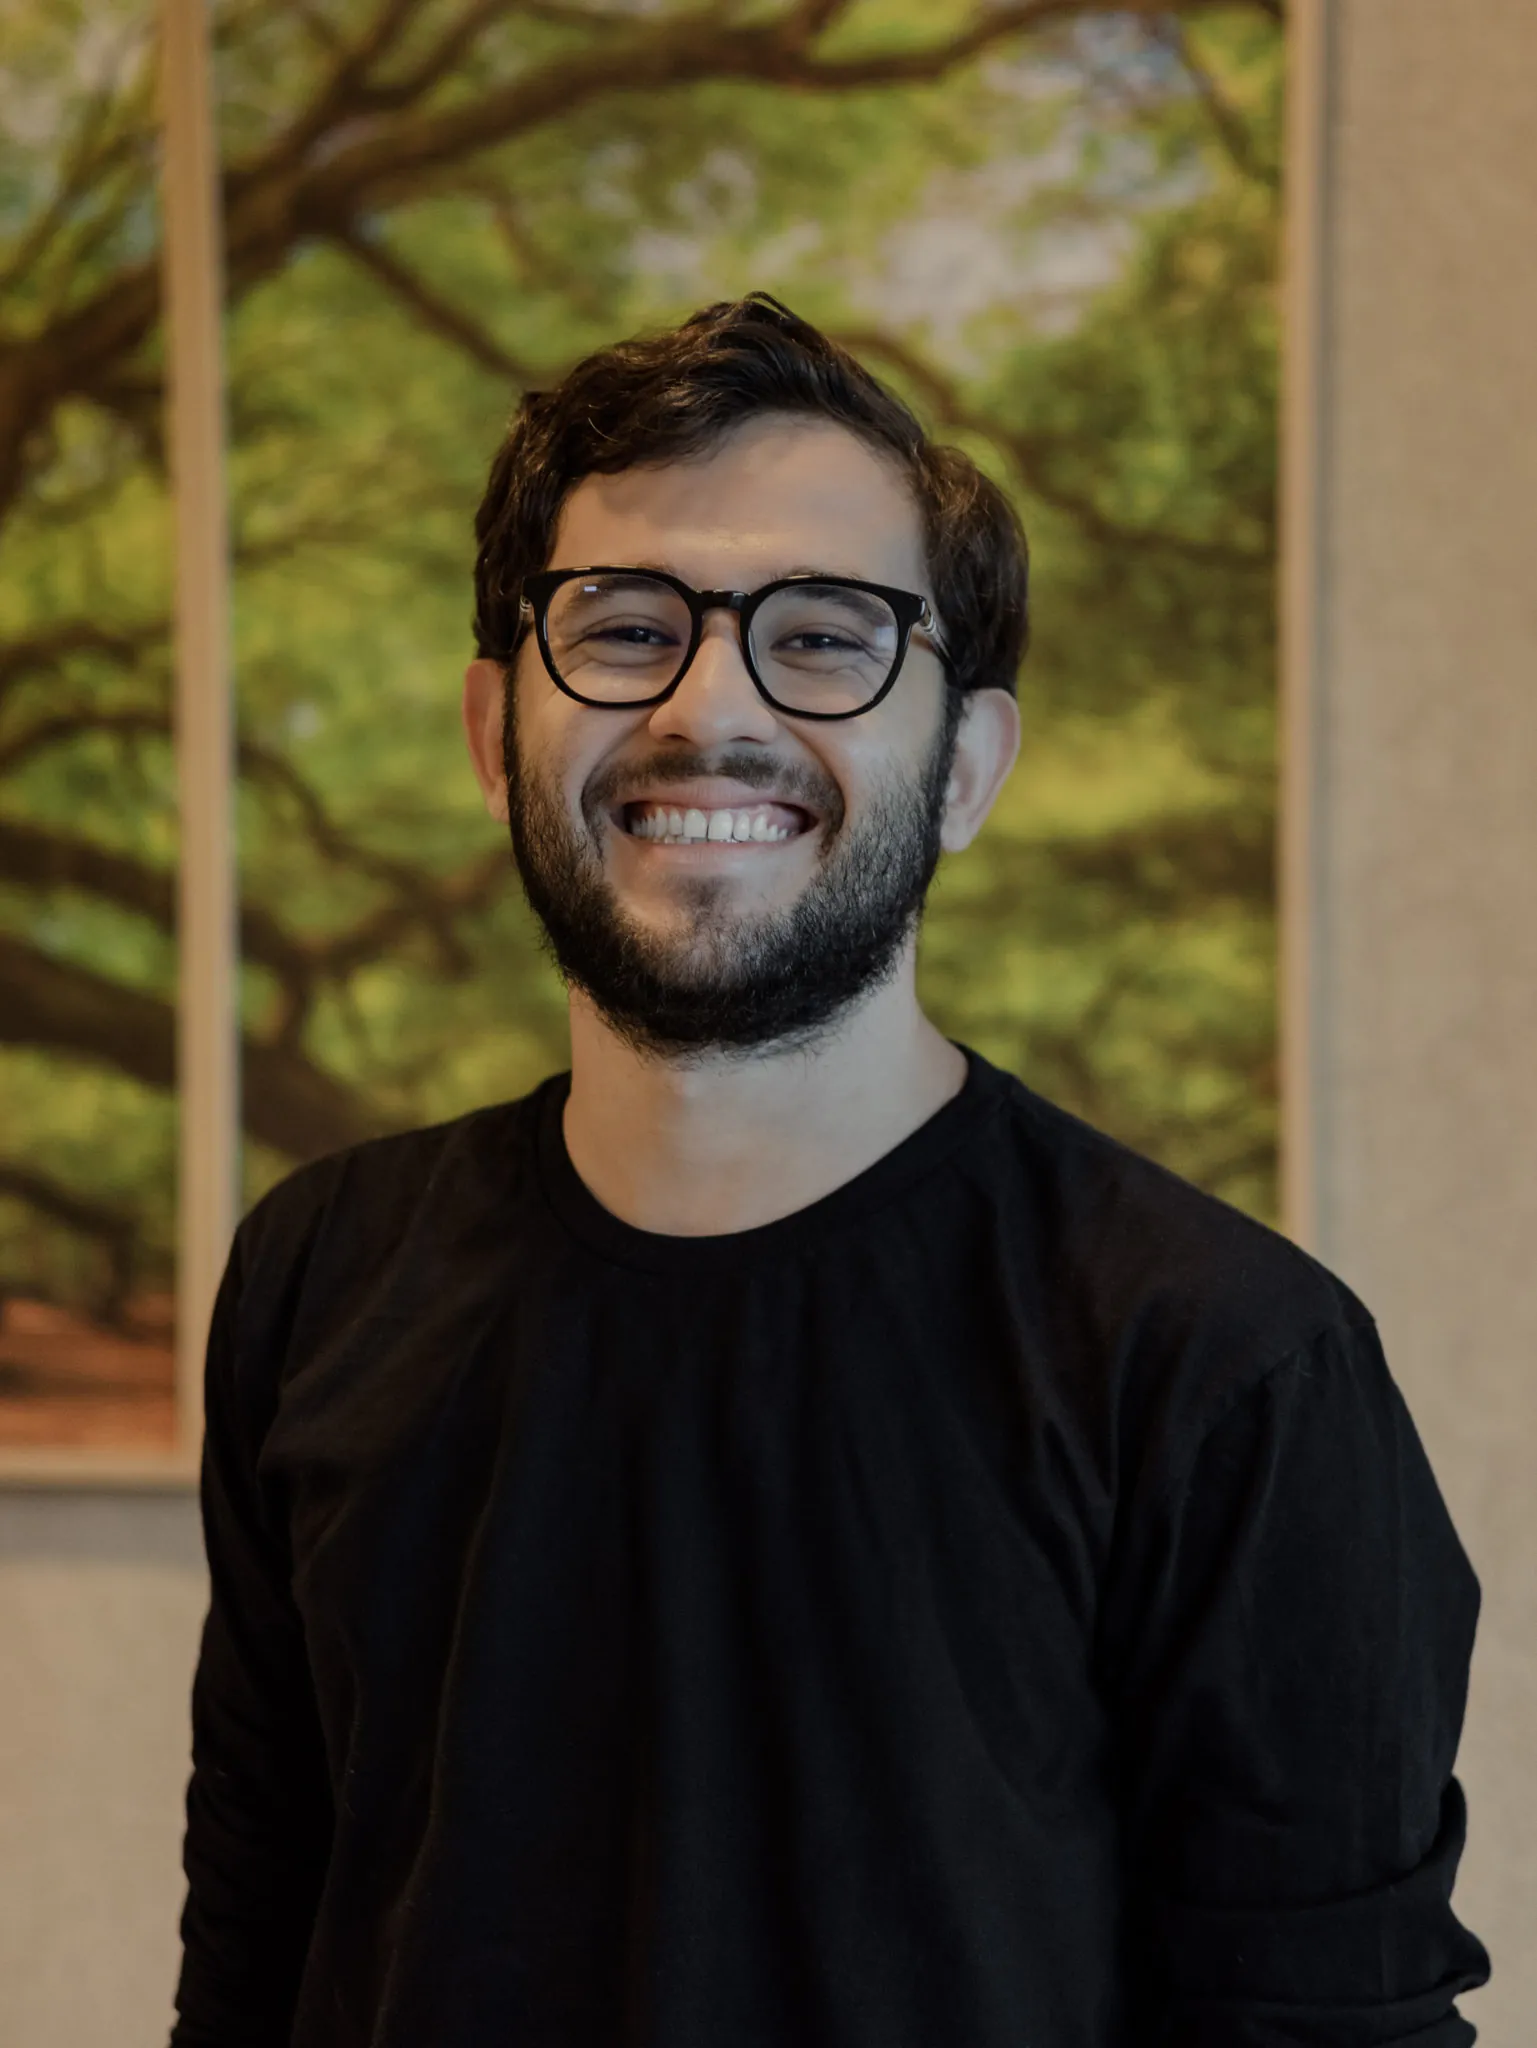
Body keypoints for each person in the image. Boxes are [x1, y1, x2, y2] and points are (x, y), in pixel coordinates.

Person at [171, 294, 1489, 2047]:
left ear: (965, 769)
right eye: (623, 625)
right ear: (497, 732)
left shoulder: (1228, 1370)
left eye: (825, 637)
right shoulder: (319, 1276)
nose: (709, 705)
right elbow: (254, 1951)